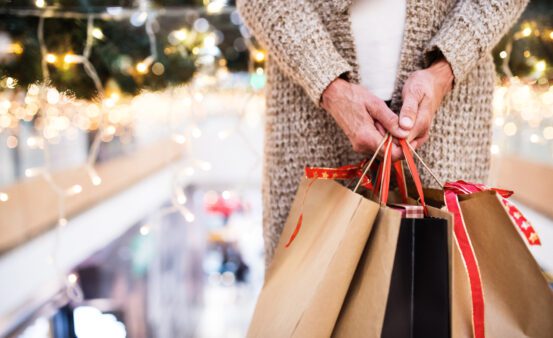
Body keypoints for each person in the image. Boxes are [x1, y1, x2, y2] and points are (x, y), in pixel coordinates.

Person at [237, 0, 528, 266]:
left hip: (448, 109)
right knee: (307, 298)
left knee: (437, 295)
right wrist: (327, 83)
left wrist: (446, 68)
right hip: (309, 111)